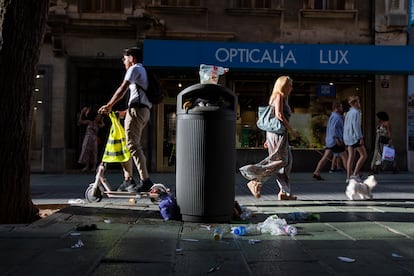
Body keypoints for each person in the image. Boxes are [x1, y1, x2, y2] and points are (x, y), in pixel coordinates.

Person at [98, 47, 154, 192]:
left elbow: (122, 89)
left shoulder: (134, 69)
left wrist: (109, 105)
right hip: (140, 110)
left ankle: (145, 180)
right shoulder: (142, 71)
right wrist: (125, 112)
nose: (123, 61)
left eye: (125, 58)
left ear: (132, 58)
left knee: (133, 145)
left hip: (138, 110)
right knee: (129, 145)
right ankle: (128, 179)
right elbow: (139, 95)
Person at [239, 76, 299, 200]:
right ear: (284, 85)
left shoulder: (280, 97)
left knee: (287, 163)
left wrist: (268, 138)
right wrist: (292, 130)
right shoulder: (279, 96)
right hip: (278, 134)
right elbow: (278, 115)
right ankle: (256, 180)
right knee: (280, 161)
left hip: (277, 133)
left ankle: (284, 192)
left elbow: (271, 118)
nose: (291, 88)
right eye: (290, 86)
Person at [312, 102, 348, 180]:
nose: (342, 108)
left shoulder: (333, 116)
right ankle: (351, 173)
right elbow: (333, 129)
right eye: (341, 107)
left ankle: (316, 172)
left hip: (331, 141)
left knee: (325, 157)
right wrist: (338, 139)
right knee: (345, 157)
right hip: (336, 141)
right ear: (336, 108)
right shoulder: (336, 117)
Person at [343, 95, 367, 182]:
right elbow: (356, 126)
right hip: (354, 137)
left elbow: (346, 126)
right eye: (358, 102)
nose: (359, 103)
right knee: (364, 155)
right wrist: (360, 137)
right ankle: (355, 174)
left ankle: (348, 176)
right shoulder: (356, 112)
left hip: (348, 137)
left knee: (350, 157)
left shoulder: (348, 113)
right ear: (355, 103)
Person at [78, 107, 105, 172]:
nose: (99, 117)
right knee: (86, 151)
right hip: (87, 138)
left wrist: (102, 120)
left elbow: (103, 125)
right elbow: (80, 121)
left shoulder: (97, 124)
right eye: (98, 116)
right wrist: (82, 112)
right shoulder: (89, 122)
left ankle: (94, 166)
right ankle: (87, 166)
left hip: (94, 139)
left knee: (94, 152)